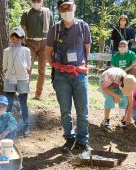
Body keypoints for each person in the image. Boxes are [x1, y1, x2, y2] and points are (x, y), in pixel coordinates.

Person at [46, 0, 92, 153]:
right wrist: (56, 66)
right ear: (59, 11)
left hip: (79, 74)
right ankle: (69, 138)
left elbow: (87, 49)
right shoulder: (55, 29)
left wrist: (82, 66)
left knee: (83, 111)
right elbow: (48, 51)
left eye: (69, 7)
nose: (67, 10)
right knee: (65, 110)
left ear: (75, 8)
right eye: (63, 8)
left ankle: (82, 140)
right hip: (61, 75)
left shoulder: (83, 26)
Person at [20, 0, 54, 100]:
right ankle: (24, 92)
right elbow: (22, 29)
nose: (36, 2)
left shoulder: (48, 13)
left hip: (45, 44)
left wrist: (52, 44)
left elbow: (52, 29)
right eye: (34, 0)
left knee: (42, 71)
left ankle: (38, 94)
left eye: (38, 0)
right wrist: (23, 42)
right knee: (27, 69)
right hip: (30, 43)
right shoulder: (26, 13)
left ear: (42, 1)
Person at [2, 26, 32, 137]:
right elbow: (4, 64)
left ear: (22, 39)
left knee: (23, 103)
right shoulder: (6, 51)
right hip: (9, 79)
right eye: (13, 38)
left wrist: (27, 70)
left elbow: (29, 64)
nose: (15, 41)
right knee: (8, 103)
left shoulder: (26, 50)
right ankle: (8, 127)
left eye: (18, 39)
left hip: (23, 78)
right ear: (10, 38)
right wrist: (5, 70)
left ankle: (26, 126)